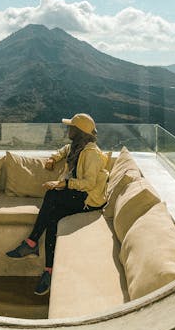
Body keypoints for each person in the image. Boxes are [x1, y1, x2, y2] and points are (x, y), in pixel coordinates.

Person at [6, 113, 109, 296]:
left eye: (71, 127)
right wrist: (53, 159)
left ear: (79, 132)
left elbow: (89, 184)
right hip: (77, 194)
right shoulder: (76, 147)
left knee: (52, 194)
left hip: (88, 200)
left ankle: (31, 243)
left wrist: (63, 184)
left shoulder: (91, 154)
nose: (68, 129)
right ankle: (48, 272)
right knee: (53, 220)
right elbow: (64, 150)